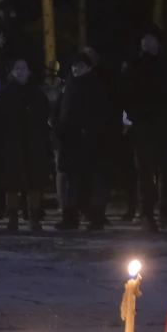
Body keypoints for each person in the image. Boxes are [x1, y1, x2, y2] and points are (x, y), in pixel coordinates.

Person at [122, 27, 167, 232]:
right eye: (144, 38)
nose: (147, 42)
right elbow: (127, 95)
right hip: (144, 126)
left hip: (166, 125)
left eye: (150, 38)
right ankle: (147, 214)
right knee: (146, 172)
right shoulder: (134, 65)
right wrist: (133, 119)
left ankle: (165, 214)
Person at [55, 52, 113, 231]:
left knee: (92, 181)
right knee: (72, 182)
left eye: (80, 66)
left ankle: (95, 216)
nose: (76, 69)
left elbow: (101, 113)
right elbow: (61, 109)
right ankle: (71, 217)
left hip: (90, 141)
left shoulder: (95, 85)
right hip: (71, 141)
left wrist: (88, 130)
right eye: (74, 66)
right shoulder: (69, 85)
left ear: (88, 67)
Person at [0, 58, 52, 232]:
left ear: (28, 71)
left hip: (34, 143)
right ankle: (13, 218)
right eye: (17, 68)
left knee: (34, 183)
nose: (20, 71)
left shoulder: (37, 93)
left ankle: (33, 218)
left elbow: (44, 118)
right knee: (12, 184)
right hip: (12, 144)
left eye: (23, 68)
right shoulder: (5, 93)